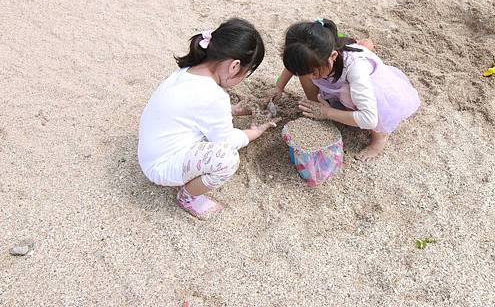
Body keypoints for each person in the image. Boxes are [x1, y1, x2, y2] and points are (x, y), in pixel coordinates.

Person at [138, 18, 276, 219]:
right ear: (235, 66)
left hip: (151, 151)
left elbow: (195, 109)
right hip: (161, 165)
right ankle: (187, 197)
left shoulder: (187, 71)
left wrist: (230, 111)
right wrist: (252, 133)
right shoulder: (214, 96)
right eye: (246, 73)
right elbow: (226, 142)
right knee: (227, 160)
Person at [271, 18, 420, 161]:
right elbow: (296, 65)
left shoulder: (355, 69)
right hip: (337, 85)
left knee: (352, 97)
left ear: (333, 56)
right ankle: (315, 105)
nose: (310, 76)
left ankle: (379, 139)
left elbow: (369, 119)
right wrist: (279, 86)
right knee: (305, 73)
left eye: (314, 71)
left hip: (375, 96)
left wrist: (327, 113)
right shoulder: (312, 55)